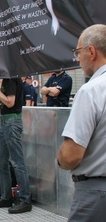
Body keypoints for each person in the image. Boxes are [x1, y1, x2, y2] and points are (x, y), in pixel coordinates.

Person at [57, 24, 106, 221]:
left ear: (91, 51)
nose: (78, 58)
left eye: (78, 52)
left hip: (96, 194)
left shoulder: (91, 90)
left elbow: (71, 156)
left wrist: (59, 159)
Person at [0, 78, 32, 214]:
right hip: (7, 121)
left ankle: (25, 199)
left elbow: (10, 102)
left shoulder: (11, 78)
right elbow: (6, 103)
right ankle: (6, 196)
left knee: (17, 163)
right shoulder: (9, 79)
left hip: (11, 122)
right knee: (1, 163)